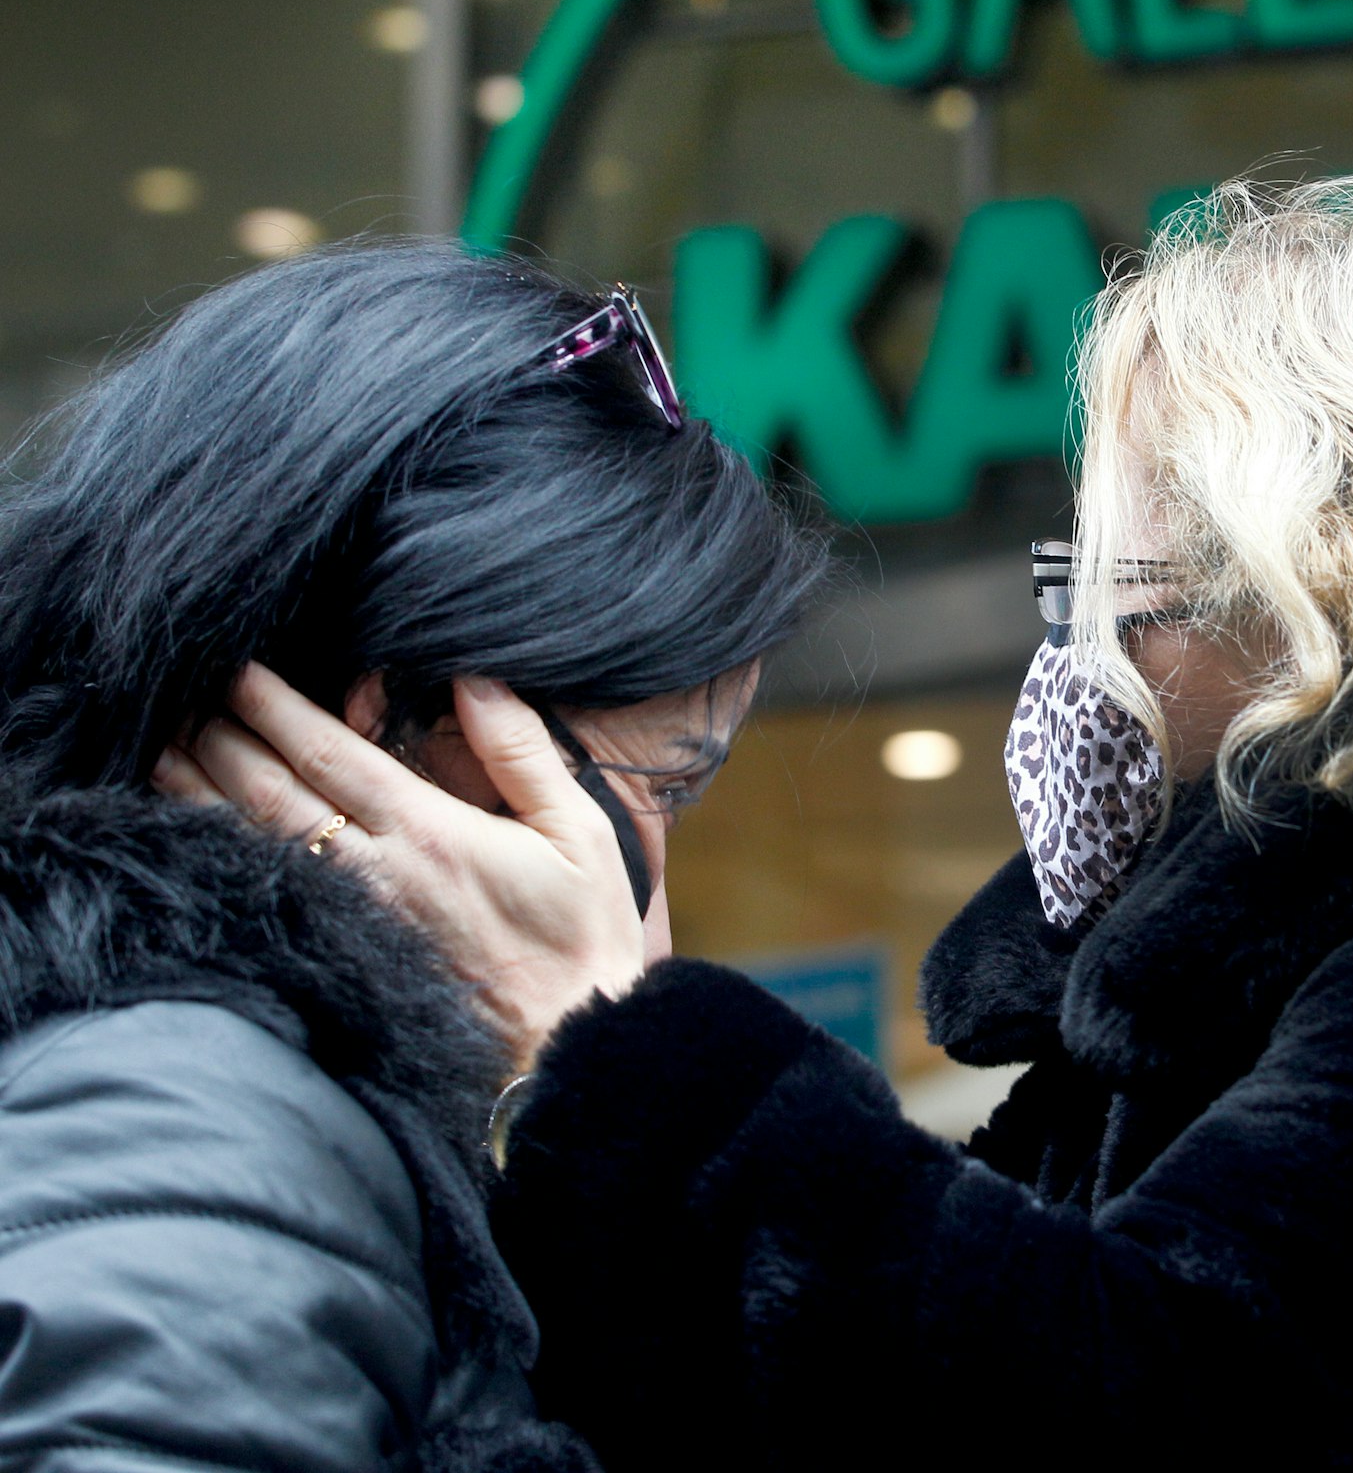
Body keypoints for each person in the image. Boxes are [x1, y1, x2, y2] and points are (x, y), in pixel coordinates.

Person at [168, 176, 1353, 1464]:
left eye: (1112, 579)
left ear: (1308, 576)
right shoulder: (1308, 953)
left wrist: (612, 1049)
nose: (1078, 655)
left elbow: (1165, 1417)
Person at [0, 241, 827, 1468]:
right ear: (384, 726)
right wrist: (615, 1080)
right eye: (659, 786)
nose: (651, 924)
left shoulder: (237, 1092)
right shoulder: (189, 1123)